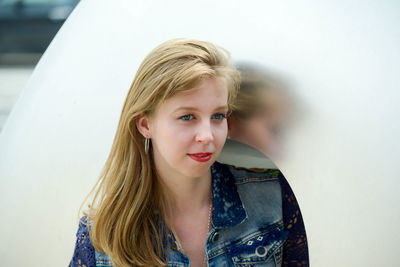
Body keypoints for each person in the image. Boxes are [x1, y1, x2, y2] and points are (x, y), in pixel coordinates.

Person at [69, 38, 308, 267]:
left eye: (218, 116)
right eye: (187, 117)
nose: (208, 136)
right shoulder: (100, 236)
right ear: (145, 125)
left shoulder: (275, 198)